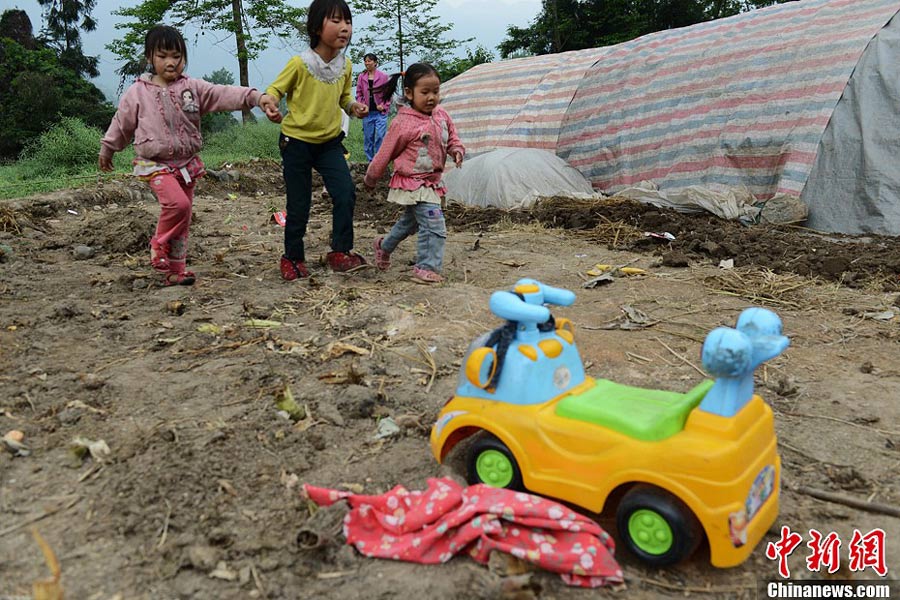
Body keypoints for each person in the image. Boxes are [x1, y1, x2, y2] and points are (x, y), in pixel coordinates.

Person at [99, 25, 279, 286]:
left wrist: (256, 97)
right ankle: (158, 245)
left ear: (184, 58)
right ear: (150, 57)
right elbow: (121, 123)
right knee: (178, 206)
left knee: (183, 220)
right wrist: (108, 148)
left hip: (187, 165)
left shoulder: (192, 88)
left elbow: (223, 93)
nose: (170, 63)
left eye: (176, 56)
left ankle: (175, 271)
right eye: (163, 56)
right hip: (155, 164)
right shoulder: (137, 93)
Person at [261, 0, 369, 280]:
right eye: (335, 21)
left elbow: (344, 98)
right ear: (316, 27)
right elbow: (276, 89)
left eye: (347, 22)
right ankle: (293, 257)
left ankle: (340, 251)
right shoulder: (300, 64)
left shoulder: (346, 66)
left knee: (345, 192)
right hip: (296, 142)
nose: (344, 28)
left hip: (329, 143)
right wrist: (270, 102)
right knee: (300, 202)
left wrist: (353, 106)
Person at [364, 63, 465, 284]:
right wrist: (371, 178)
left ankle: (384, 246)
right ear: (409, 93)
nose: (431, 97)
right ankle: (425, 267)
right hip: (413, 182)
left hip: (431, 182)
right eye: (425, 92)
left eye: (435, 92)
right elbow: (384, 153)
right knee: (434, 223)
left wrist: (456, 150)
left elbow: (452, 137)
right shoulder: (403, 122)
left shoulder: (441, 115)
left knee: (411, 223)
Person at [356, 53, 391, 161]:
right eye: (365, 61)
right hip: (367, 112)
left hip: (380, 113)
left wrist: (383, 105)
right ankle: (370, 161)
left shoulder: (383, 77)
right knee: (368, 138)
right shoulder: (362, 77)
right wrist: (362, 105)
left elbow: (388, 94)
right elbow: (359, 93)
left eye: (369, 61)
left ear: (375, 62)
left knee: (380, 136)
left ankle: (379, 161)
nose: (367, 63)